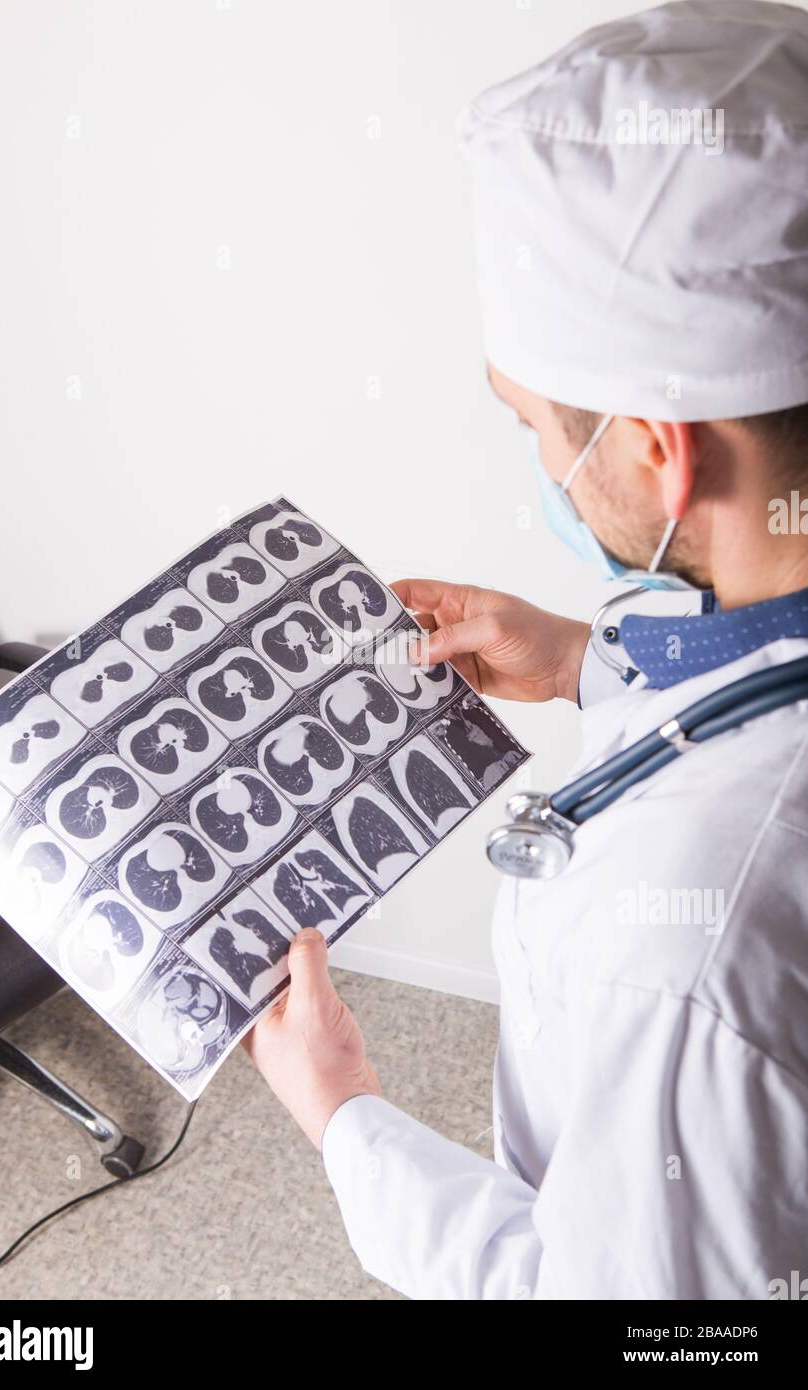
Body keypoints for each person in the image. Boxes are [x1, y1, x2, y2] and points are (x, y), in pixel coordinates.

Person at [244, 0, 808, 1298]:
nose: (545, 467)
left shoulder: (680, 954)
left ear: (661, 452)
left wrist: (344, 1116)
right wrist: (580, 660)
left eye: (539, 431)